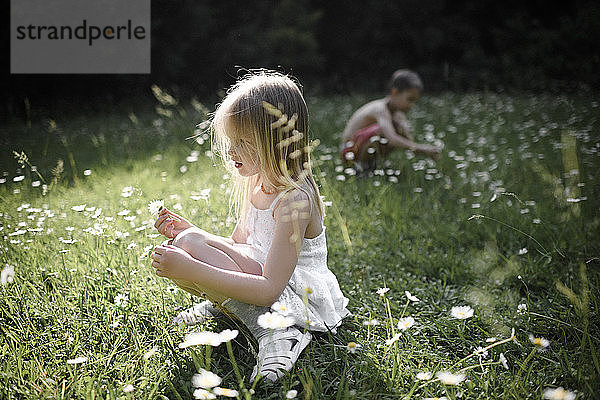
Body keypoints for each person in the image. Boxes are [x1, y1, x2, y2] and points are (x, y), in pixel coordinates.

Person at [150, 71, 350, 382]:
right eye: (231, 141)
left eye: (243, 142)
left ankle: (279, 334)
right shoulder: (257, 181)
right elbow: (238, 245)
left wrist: (192, 269)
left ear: (276, 141)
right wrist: (190, 232)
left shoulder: (293, 200)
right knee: (187, 242)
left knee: (189, 254)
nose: (231, 152)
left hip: (297, 293)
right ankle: (229, 307)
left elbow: (271, 288)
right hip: (265, 277)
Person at [341, 69, 441, 169]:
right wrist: (422, 149)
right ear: (395, 92)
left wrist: (404, 130)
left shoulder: (397, 114)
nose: (412, 105)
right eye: (410, 99)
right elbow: (392, 139)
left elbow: (409, 142)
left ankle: (372, 166)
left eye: (415, 101)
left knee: (396, 128)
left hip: (359, 149)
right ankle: (362, 168)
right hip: (349, 153)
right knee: (382, 131)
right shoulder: (381, 109)